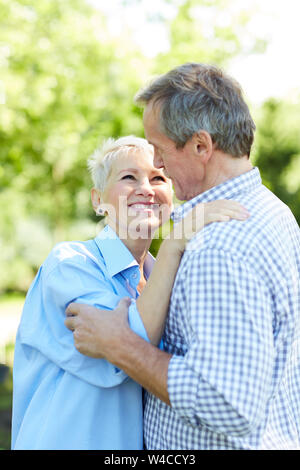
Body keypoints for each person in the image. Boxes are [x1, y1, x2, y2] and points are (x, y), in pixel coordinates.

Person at [65, 63, 300, 450]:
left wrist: (119, 346)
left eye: (159, 150)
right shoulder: (272, 210)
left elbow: (229, 404)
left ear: (201, 146)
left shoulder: (217, 245)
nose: (156, 164)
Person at [11, 135, 246, 450]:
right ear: (98, 200)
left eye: (158, 178)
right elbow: (129, 345)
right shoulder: (70, 266)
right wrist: (176, 241)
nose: (146, 189)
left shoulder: (164, 278)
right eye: (128, 177)